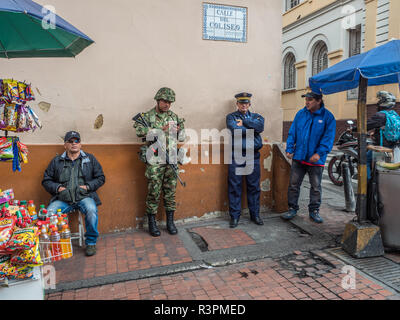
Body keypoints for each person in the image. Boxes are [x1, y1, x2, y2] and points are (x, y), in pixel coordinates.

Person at [42, 131, 106, 256]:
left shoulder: (90, 159)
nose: (74, 144)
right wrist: (58, 188)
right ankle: (53, 246)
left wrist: (87, 186)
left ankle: (91, 243)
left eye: (77, 141)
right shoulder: (56, 161)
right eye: (70, 141)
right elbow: (46, 180)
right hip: (63, 199)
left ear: (80, 144)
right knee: (49, 213)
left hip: (84, 197)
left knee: (91, 210)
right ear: (65, 145)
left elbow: (101, 178)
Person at [134, 87, 185, 237]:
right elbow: (139, 131)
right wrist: (160, 129)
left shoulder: (174, 117)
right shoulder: (147, 116)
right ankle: (152, 223)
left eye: (170, 102)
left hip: (172, 160)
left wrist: (178, 132)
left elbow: (182, 136)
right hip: (155, 160)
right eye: (164, 101)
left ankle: (170, 222)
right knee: (154, 192)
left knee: (170, 192)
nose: (167, 104)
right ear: (158, 100)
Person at [281, 92, 336, 223]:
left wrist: (319, 153)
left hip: (316, 160)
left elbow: (328, 138)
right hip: (299, 157)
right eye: (306, 100)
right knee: (293, 185)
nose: (307, 102)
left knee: (316, 187)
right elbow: (292, 132)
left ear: (319, 101)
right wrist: (289, 149)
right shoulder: (301, 114)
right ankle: (292, 208)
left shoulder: (328, 117)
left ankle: (314, 211)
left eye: (310, 100)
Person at [226, 92, 265, 228]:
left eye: (246, 103)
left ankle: (255, 215)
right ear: (237, 104)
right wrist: (252, 128)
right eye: (241, 103)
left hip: (252, 155)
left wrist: (246, 123)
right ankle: (235, 217)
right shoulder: (231, 117)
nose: (243, 105)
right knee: (234, 186)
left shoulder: (257, 117)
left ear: (249, 104)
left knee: (254, 187)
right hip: (236, 155)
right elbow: (235, 130)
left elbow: (260, 127)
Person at [354, 91, 399, 180]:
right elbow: (386, 128)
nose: (377, 103)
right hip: (393, 147)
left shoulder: (380, 115)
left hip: (381, 147)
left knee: (365, 160)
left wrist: (353, 129)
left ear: (383, 102)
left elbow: (365, 126)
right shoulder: (394, 115)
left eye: (379, 100)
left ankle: (367, 185)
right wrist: (375, 133)